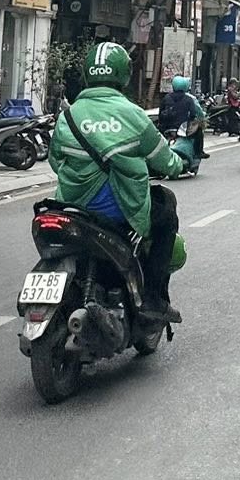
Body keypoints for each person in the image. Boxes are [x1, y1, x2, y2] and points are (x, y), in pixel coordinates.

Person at [49, 41, 184, 323]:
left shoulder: (68, 116)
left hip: (73, 209)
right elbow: (166, 161)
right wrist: (177, 164)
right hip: (119, 212)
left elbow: (55, 161)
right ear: (124, 74)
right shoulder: (133, 115)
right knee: (166, 210)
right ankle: (153, 298)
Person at [157, 73, 206, 171]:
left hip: (166, 129)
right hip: (182, 130)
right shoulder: (189, 99)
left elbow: (160, 114)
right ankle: (198, 153)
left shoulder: (166, 98)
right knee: (199, 130)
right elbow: (193, 115)